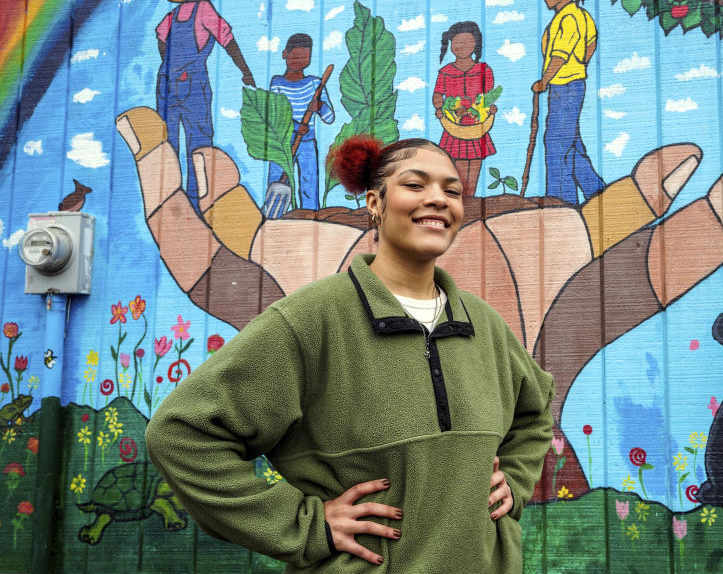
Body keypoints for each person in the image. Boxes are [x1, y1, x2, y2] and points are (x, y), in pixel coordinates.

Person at [144, 134, 556, 572]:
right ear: (374, 203)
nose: (438, 199)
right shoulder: (310, 319)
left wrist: (515, 479)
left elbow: (535, 412)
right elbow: (180, 434)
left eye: (451, 191)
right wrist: (305, 526)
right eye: (415, 185)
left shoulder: (483, 323)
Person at [156, 0, 255, 212]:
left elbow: (161, 40)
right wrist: (245, 71)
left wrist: (171, 68)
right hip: (193, 84)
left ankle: (170, 200)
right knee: (198, 143)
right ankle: (195, 202)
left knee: (169, 143)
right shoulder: (204, 10)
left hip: (166, 83)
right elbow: (228, 40)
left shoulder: (173, 15)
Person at [533, 0, 605, 205]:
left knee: (555, 144)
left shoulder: (569, 17)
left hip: (564, 87)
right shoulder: (580, 16)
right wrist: (581, 63)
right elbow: (591, 44)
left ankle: (561, 203)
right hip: (569, 86)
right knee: (570, 145)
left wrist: (544, 81)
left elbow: (559, 56)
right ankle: (597, 192)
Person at [265, 33, 335, 214]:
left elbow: (329, 118)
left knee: (309, 181)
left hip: (306, 142)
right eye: (295, 57)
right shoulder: (277, 84)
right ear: (284, 54)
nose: (299, 61)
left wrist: (320, 106)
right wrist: (296, 127)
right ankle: (274, 217)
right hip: (282, 141)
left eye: (304, 57)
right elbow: (275, 114)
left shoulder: (314, 84)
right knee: (276, 178)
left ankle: (311, 216)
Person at [432, 21, 497, 196]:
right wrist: (440, 109)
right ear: (450, 45)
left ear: (476, 44)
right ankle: (462, 201)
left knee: (475, 163)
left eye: (467, 43)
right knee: (459, 166)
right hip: (455, 125)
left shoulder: (484, 70)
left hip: (477, 124)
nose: (462, 47)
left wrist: (490, 108)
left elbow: (487, 97)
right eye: (457, 43)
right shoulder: (446, 72)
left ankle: (471, 201)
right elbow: (437, 95)